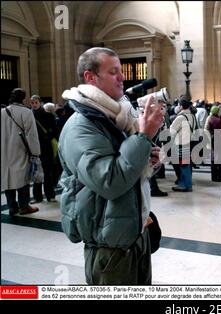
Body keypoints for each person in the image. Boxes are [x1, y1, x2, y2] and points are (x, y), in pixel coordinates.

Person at [58, 47, 164, 285]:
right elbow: (110, 182)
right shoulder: (81, 126)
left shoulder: (115, 117)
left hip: (134, 233)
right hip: (110, 246)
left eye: (120, 71)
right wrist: (143, 136)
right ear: (90, 77)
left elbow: (127, 165)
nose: (122, 77)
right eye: (113, 71)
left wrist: (148, 159)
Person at [1, 88, 40, 215]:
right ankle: (24, 206)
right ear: (23, 98)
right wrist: (35, 152)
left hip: (4, 150)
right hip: (20, 149)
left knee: (7, 178)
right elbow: (31, 135)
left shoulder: (2, 112)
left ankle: (12, 207)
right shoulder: (26, 112)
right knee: (22, 178)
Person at [30, 95, 59, 202]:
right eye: (32, 103)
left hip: (46, 146)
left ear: (40, 103)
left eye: (36, 102)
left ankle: (50, 195)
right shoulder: (29, 115)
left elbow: (55, 130)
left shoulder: (48, 115)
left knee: (47, 172)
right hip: (35, 146)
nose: (34, 105)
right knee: (36, 172)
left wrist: (47, 136)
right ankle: (37, 197)